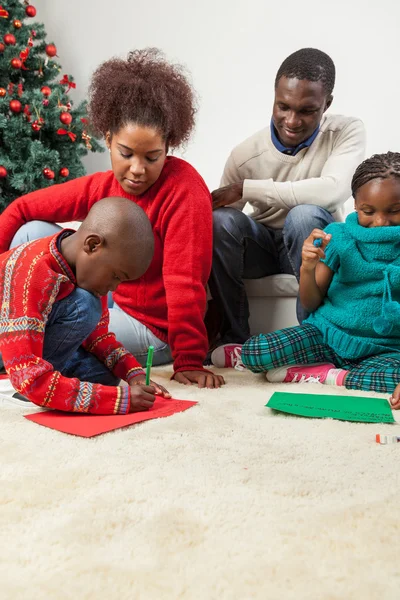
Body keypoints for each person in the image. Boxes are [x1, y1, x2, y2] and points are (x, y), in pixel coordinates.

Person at [0, 48, 224, 389]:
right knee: (32, 232)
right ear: (108, 139)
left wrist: (190, 359)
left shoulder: (184, 191)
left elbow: (185, 282)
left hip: (149, 329)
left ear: (169, 146)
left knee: (71, 320)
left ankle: (22, 356)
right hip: (105, 305)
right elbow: (22, 209)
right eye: (126, 154)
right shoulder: (103, 187)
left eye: (152, 157)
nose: (137, 169)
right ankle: (21, 344)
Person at [209, 48, 366, 369]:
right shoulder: (246, 154)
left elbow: (333, 189)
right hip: (263, 249)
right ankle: (233, 337)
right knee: (220, 221)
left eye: (307, 110)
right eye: (283, 107)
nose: (292, 121)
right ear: (274, 97)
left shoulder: (346, 132)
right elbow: (222, 220)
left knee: (304, 215)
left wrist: (249, 188)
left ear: (328, 104)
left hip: (315, 241)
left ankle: (312, 339)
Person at [241, 152, 400, 409]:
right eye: (368, 211)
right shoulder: (338, 236)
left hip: (386, 351)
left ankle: (329, 376)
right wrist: (308, 266)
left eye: (395, 211)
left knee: (395, 378)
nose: (380, 222)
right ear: (356, 205)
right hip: (328, 336)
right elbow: (310, 302)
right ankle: (332, 369)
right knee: (255, 353)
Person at [0, 197, 175, 413]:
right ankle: (15, 387)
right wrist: (118, 401)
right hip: (11, 353)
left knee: (105, 376)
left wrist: (134, 374)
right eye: (115, 276)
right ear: (92, 245)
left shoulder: (88, 274)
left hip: (35, 342)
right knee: (86, 306)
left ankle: (46, 379)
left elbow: (99, 337)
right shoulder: (32, 273)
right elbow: (27, 372)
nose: (114, 288)